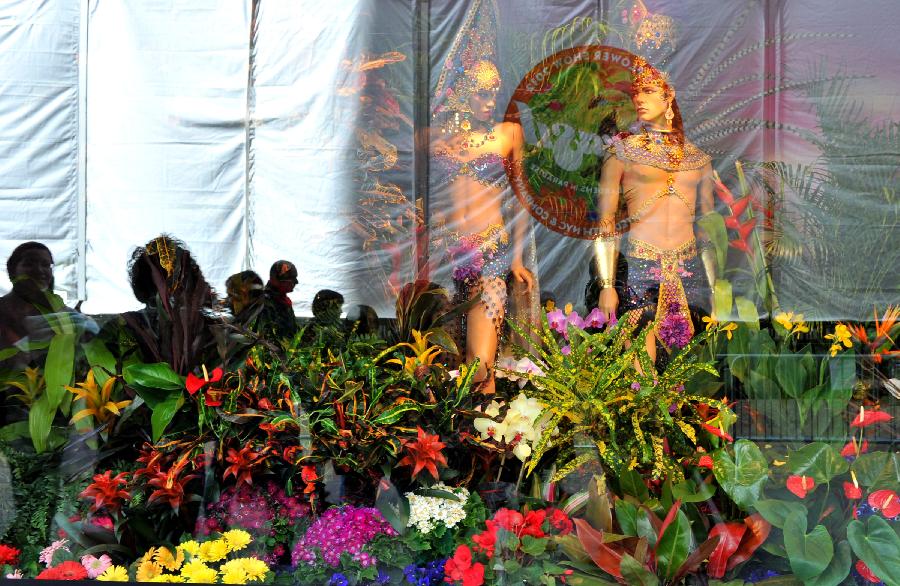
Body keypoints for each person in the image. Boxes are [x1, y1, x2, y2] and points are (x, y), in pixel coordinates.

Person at [431, 0, 535, 394]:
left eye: (495, 93)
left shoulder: (506, 135)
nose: (491, 101)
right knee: (442, 364)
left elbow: (522, 197)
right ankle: (468, 444)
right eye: (481, 93)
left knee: (481, 366)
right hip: (444, 258)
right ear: (462, 92)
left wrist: (518, 258)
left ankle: (490, 440)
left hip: (490, 253)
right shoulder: (439, 138)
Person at [591, 57, 716, 365]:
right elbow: (606, 221)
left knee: (685, 375)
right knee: (641, 376)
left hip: (689, 273)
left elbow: (708, 230)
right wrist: (607, 285)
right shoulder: (621, 153)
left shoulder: (698, 159)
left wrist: (716, 286)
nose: (639, 99)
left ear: (668, 95)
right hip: (639, 270)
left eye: (647, 91)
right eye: (636, 92)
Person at [259, 260, 299, 342]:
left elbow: (292, 329)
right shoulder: (264, 302)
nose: (296, 282)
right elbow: (267, 336)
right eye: (291, 278)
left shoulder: (283, 300)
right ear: (277, 280)